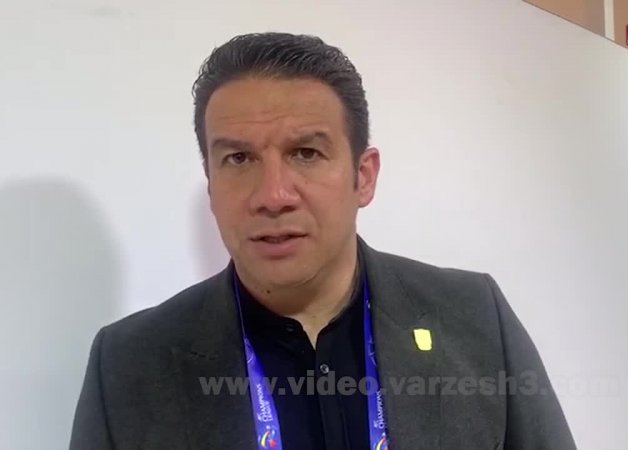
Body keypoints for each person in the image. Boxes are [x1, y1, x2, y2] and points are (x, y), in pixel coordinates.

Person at [69, 32, 576, 450]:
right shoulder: (129, 366)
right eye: (239, 159)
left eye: (306, 153)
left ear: (364, 176)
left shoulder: (474, 317)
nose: (272, 196)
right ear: (211, 185)